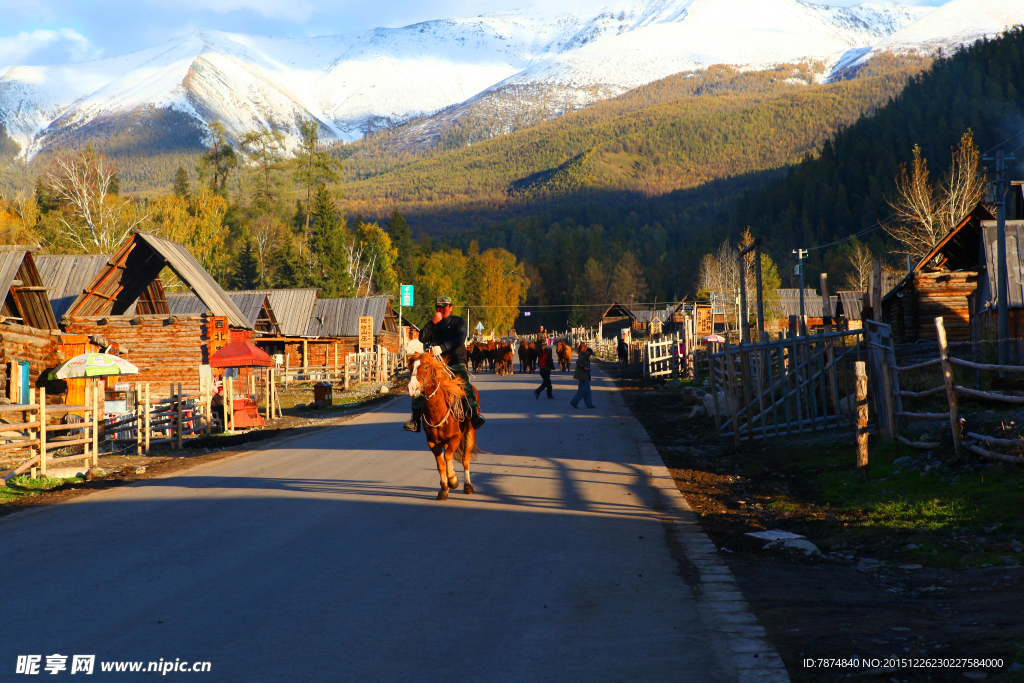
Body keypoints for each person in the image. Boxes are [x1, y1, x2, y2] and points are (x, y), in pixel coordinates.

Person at [404, 296, 486, 432]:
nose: (441, 310)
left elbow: (459, 339)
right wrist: (432, 323)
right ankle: (416, 419)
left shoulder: (458, 322)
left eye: (444, 307)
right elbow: (422, 338)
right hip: (436, 363)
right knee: (421, 384)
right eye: (438, 307)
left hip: (456, 361)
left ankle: (473, 415)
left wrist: (442, 348)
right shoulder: (433, 324)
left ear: (450, 308)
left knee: (464, 384)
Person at [569, 341, 596, 409]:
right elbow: (578, 362)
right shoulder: (583, 356)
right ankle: (574, 402)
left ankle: (589, 404)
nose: (590, 355)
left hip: (585, 375)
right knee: (582, 391)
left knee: (587, 391)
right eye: (590, 354)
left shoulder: (586, 357)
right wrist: (584, 368)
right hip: (583, 376)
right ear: (587, 352)